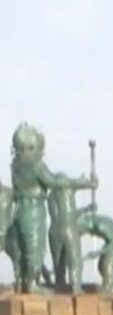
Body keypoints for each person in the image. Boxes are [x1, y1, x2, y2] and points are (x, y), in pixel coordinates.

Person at [10, 123, 95, 293]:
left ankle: (24, 282)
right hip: (33, 210)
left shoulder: (15, 165)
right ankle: (32, 284)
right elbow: (55, 181)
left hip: (20, 210)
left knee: (24, 247)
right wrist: (83, 183)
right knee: (35, 247)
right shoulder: (36, 166)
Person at [76, 205, 113, 293]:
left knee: (107, 265)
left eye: (81, 232)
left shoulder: (100, 227)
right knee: (100, 267)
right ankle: (110, 286)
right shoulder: (90, 220)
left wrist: (98, 252)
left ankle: (109, 287)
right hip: (109, 241)